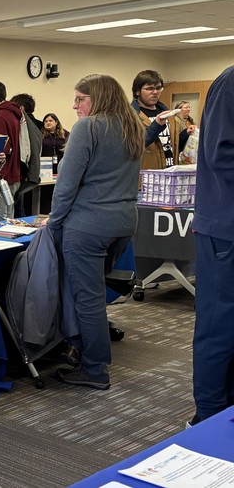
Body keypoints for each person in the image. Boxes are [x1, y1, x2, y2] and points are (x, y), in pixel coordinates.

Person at [49, 74, 143, 390]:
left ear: (98, 98)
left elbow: (66, 184)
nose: (74, 105)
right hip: (123, 222)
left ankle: (94, 369)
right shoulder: (132, 126)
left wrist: (54, 222)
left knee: (86, 298)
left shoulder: (88, 128)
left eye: (80, 99)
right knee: (93, 295)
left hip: (88, 225)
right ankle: (81, 349)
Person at [190, 64, 234, 426]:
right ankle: (207, 419)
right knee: (219, 328)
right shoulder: (231, 82)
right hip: (225, 232)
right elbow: (222, 154)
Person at [131, 70, 187, 169]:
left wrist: (187, 134)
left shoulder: (169, 115)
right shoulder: (130, 116)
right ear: (137, 91)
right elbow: (135, 145)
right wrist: (156, 125)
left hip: (169, 174)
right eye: (149, 89)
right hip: (146, 177)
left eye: (158, 88)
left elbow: (174, 144)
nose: (155, 92)